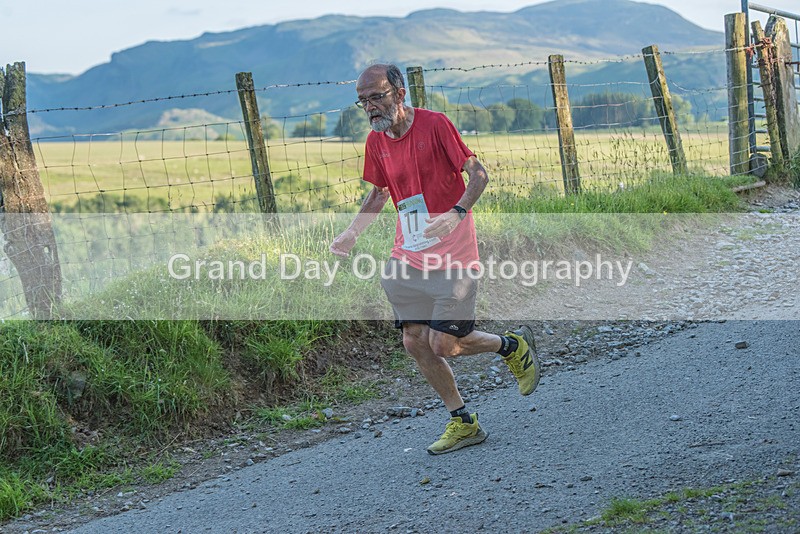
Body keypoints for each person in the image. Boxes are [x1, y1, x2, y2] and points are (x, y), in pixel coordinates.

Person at [330, 64, 540, 455]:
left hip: (454, 252)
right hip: (407, 254)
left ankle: (511, 347)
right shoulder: (375, 142)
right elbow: (378, 195)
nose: (371, 107)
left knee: (444, 343)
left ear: (400, 93)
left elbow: (477, 175)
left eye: (377, 96)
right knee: (414, 341)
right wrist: (351, 232)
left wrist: (456, 213)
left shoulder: (436, 125)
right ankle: (463, 422)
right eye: (364, 101)